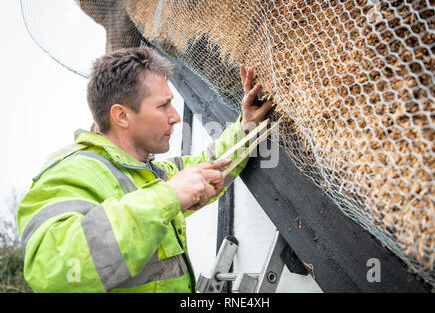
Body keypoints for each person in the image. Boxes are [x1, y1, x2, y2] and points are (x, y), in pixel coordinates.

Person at [16, 46, 272, 293]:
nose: (175, 116)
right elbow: (54, 267)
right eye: (163, 106)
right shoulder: (72, 171)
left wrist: (246, 127)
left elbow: (211, 165)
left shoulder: (150, 172)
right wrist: (167, 197)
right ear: (122, 116)